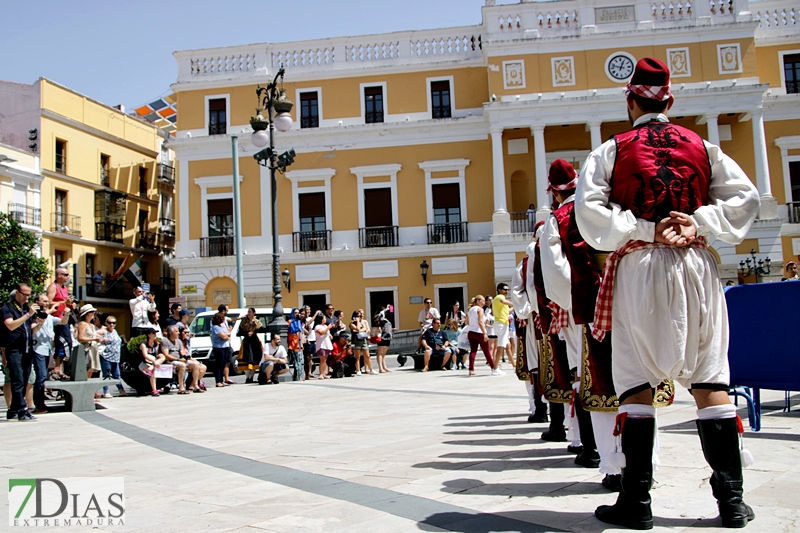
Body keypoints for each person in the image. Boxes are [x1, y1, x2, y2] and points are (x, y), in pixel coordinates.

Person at [575, 57, 760, 529]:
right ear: (670, 101)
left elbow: (589, 213)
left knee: (635, 380)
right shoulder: (704, 147)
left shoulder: (611, 150)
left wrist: (644, 228)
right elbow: (746, 199)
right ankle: (732, 503)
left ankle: (636, 502)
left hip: (640, 264)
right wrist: (697, 222)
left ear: (630, 100)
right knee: (711, 377)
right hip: (697, 262)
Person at [540, 159, 605, 472]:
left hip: (580, 308)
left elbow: (554, 274)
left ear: (554, 192)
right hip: (622, 302)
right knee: (632, 381)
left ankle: (596, 451)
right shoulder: (603, 207)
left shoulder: (557, 218)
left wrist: (578, 303)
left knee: (586, 378)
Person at [3, 283, 39, 421]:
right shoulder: (7, 308)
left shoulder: (26, 309)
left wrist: (39, 322)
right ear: (17, 293)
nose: (27, 298)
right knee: (17, 380)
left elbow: (32, 330)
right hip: (14, 349)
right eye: (25, 294)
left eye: (29, 295)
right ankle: (22, 411)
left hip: (27, 349)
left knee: (24, 381)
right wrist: (28, 314)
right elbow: (11, 325)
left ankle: (12, 410)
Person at [30, 294, 70, 412]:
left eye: (48, 301)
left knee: (43, 376)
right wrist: (49, 311)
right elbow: (33, 328)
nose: (47, 303)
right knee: (41, 376)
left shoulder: (50, 317)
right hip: (37, 349)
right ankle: (38, 404)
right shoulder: (34, 314)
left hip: (47, 349)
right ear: (38, 302)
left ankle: (40, 402)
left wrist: (66, 314)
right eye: (44, 301)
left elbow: (63, 322)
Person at [46, 267, 74, 380]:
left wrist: (70, 305)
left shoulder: (64, 288)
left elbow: (64, 303)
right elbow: (48, 303)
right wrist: (64, 302)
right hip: (56, 318)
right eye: (66, 274)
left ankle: (59, 368)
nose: (68, 277)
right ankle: (57, 368)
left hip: (64, 318)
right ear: (59, 275)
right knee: (63, 342)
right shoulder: (53, 287)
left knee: (66, 342)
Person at [465, 295, 498, 376]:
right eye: (482, 301)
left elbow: (467, 322)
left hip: (471, 332)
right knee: (486, 352)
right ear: (477, 301)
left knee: (473, 351)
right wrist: (485, 333)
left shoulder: (470, 310)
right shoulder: (480, 309)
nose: (484, 302)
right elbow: (480, 322)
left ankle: (471, 369)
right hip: (479, 332)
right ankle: (493, 368)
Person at [98, 315, 125, 397]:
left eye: (114, 323)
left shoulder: (115, 331)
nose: (112, 324)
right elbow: (93, 334)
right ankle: (106, 391)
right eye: (110, 323)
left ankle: (121, 390)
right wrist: (102, 339)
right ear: (106, 323)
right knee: (106, 374)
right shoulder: (104, 331)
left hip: (115, 357)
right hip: (106, 356)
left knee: (117, 374)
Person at [160, 325, 192, 394]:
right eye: (176, 331)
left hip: (179, 360)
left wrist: (186, 357)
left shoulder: (178, 341)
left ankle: (195, 386)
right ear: (171, 333)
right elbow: (166, 355)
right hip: (170, 362)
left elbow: (182, 352)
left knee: (196, 365)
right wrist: (178, 360)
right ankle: (181, 388)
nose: (178, 333)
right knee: (182, 365)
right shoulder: (165, 341)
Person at [77, 304, 104, 381]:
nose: (93, 313)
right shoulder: (82, 324)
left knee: (93, 369)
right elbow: (80, 338)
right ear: (86, 314)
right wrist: (94, 339)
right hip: (86, 349)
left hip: (93, 349)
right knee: (87, 369)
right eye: (91, 312)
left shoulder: (92, 325)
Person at [237, 307, 264, 383]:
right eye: (248, 312)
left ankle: (251, 377)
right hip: (246, 341)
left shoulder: (257, 321)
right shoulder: (244, 321)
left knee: (255, 358)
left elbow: (262, 329)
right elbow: (239, 332)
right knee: (246, 358)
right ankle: (247, 377)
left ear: (254, 313)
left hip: (254, 341)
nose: (248, 313)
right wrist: (246, 333)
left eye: (250, 312)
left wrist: (254, 331)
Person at [491, 283, 515, 366]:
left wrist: (516, 307)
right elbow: (504, 301)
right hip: (501, 323)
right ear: (499, 290)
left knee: (508, 346)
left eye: (508, 290)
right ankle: (495, 367)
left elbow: (508, 311)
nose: (506, 291)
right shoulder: (499, 297)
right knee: (501, 346)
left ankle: (514, 365)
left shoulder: (499, 302)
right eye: (505, 289)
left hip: (502, 323)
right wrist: (514, 303)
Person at [210, 312, 234, 387]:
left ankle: (222, 380)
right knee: (219, 364)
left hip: (225, 346)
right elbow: (224, 336)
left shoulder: (221, 327)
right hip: (219, 347)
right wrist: (228, 333)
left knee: (223, 364)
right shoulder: (216, 327)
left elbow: (227, 335)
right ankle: (218, 381)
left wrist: (227, 334)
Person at [179, 327, 206, 392]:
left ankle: (193, 384)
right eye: (185, 332)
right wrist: (193, 361)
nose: (187, 334)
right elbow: (183, 355)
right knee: (197, 365)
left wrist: (195, 360)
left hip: (188, 359)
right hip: (182, 360)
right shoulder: (179, 342)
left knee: (203, 367)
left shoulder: (187, 342)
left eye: (188, 332)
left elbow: (188, 355)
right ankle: (190, 385)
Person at [139, 329, 164, 396]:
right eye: (153, 333)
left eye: (155, 333)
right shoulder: (143, 344)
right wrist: (154, 361)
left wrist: (159, 356)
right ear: (148, 335)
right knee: (153, 370)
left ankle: (149, 369)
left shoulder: (156, 344)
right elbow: (145, 355)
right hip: (144, 363)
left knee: (163, 357)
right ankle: (154, 390)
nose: (155, 334)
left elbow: (156, 354)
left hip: (153, 364)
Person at [350, 309, 375, 375]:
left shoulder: (363, 322)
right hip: (356, 341)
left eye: (361, 316)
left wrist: (359, 330)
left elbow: (365, 329)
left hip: (363, 340)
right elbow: (357, 328)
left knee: (367, 356)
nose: (360, 318)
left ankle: (371, 369)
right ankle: (358, 370)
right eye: (358, 316)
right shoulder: (352, 324)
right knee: (357, 357)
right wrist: (358, 322)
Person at [313, 312, 335, 379]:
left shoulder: (325, 326)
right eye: (324, 318)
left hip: (327, 344)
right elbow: (321, 333)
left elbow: (327, 333)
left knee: (325, 359)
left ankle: (324, 373)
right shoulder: (317, 327)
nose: (325, 319)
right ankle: (321, 374)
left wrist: (330, 335)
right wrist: (328, 328)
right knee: (322, 359)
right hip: (321, 345)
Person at [374, 304, 393, 373]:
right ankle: (380, 368)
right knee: (380, 353)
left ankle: (385, 367)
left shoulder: (385, 319)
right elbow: (376, 318)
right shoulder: (379, 318)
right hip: (382, 337)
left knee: (384, 353)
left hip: (388, 336)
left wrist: (392, 329)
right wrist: (385, 310)